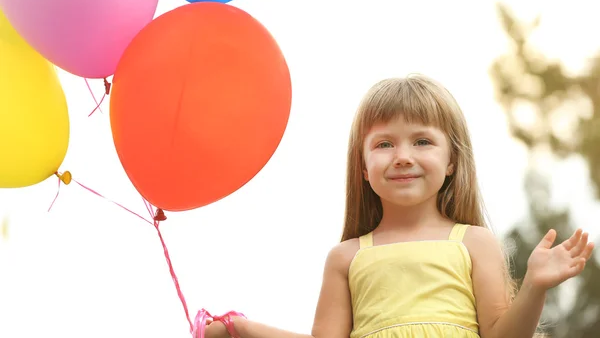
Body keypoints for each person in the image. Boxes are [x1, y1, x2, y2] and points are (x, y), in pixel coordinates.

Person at [204, 74, 595, 338]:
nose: (403, 156)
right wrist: (240, 327)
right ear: (362, 166)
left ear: (452, 161)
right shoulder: (345, 258)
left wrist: (534, 287)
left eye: (422, 141)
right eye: (384, 144)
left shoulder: (475, 243)